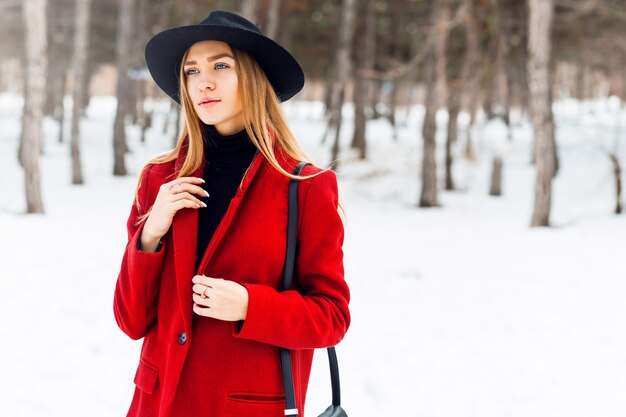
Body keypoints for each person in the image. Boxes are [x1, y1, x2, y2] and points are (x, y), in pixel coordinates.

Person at [113, 10, 350, 417]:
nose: (203, 81)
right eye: (191, 71)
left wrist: (249, 306)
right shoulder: (159, 180)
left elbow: (331, 317)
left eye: (221, 65)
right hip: (158, 403)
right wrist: (150, 233)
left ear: (255, 78)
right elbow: (131, 321)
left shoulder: (305, 186)